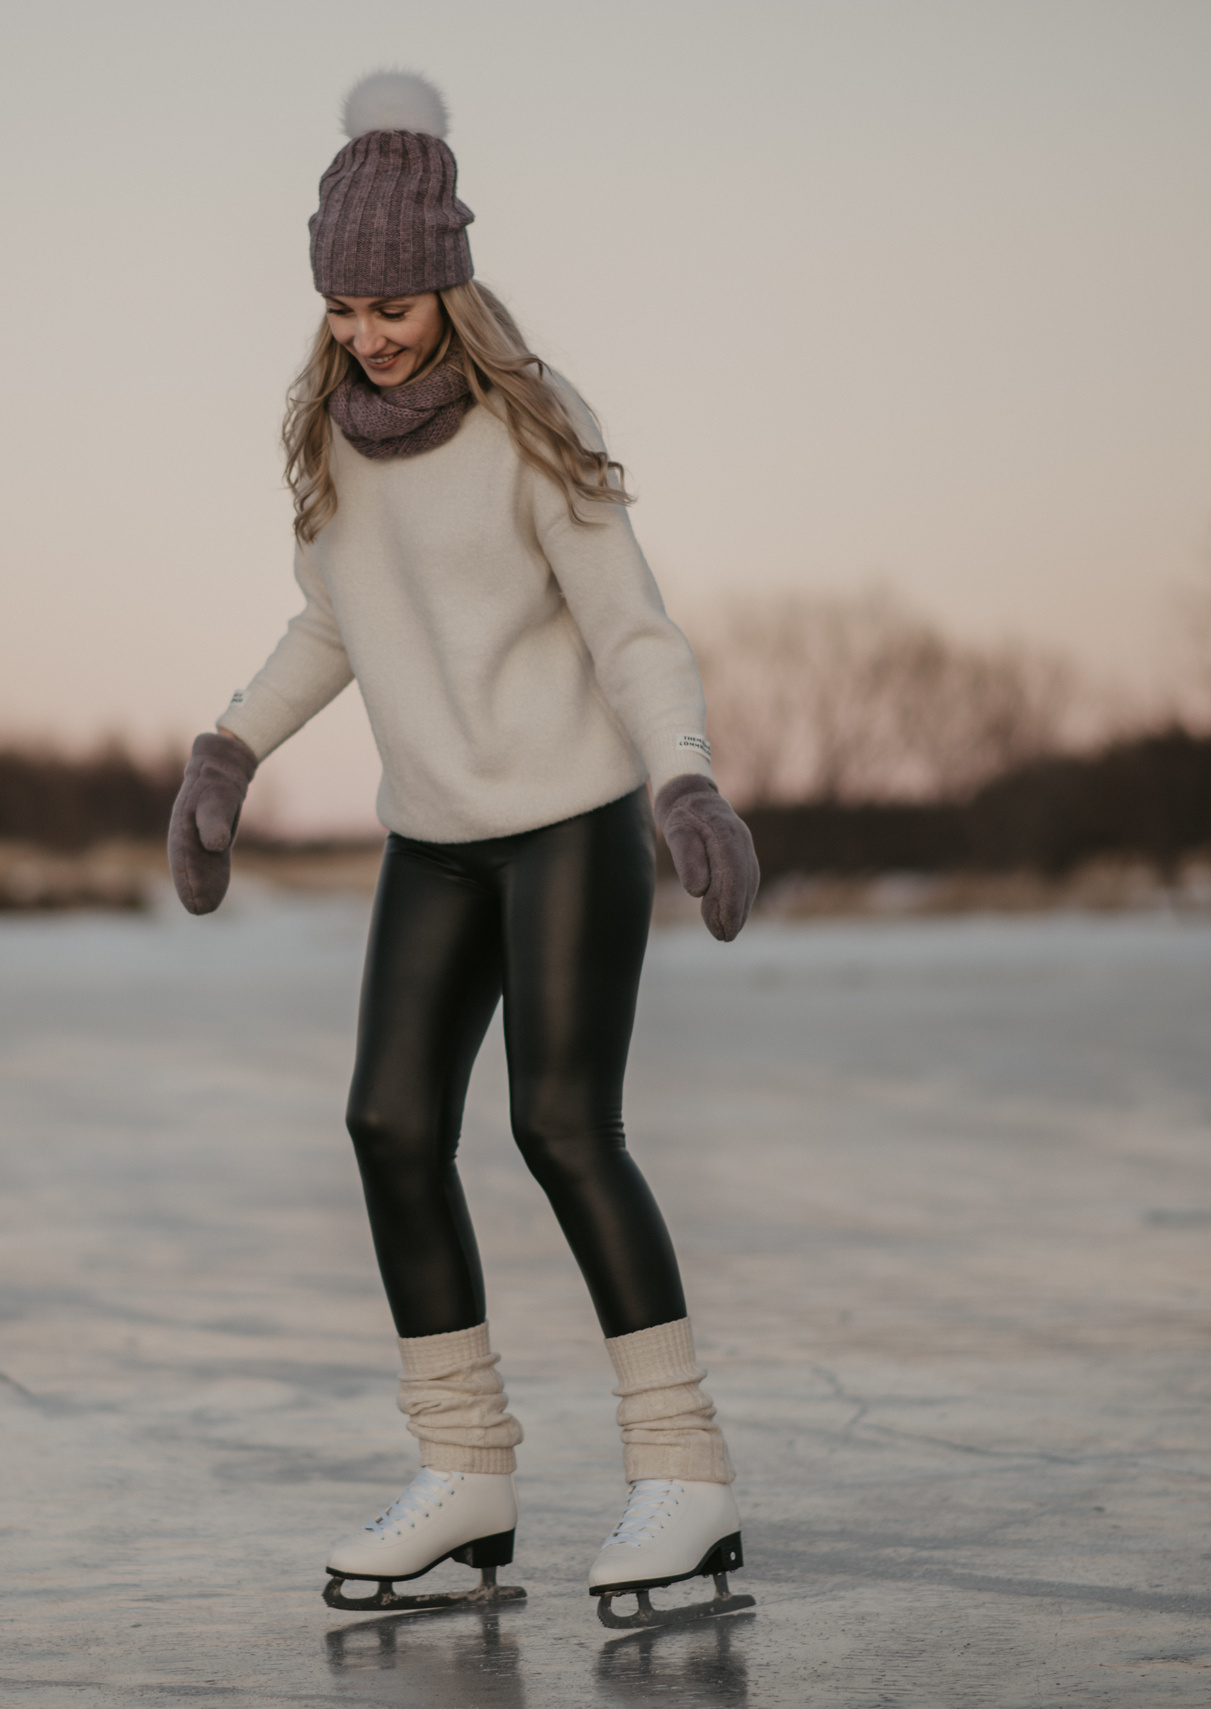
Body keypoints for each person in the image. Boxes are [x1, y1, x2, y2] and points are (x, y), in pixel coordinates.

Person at [167, 71, 762, 1618]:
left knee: (564, 1129)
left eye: (393, 302)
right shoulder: (333, 447)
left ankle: (685, 1477)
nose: (368, 332)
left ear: (449, 281)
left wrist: (685, 786)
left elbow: (636, 635)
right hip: (433, 844)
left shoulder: (532, 426)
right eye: (343, 306)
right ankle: (468, 1476)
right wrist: (229, 749)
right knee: (386, 1124)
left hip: (568, 827)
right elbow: (332, 627)